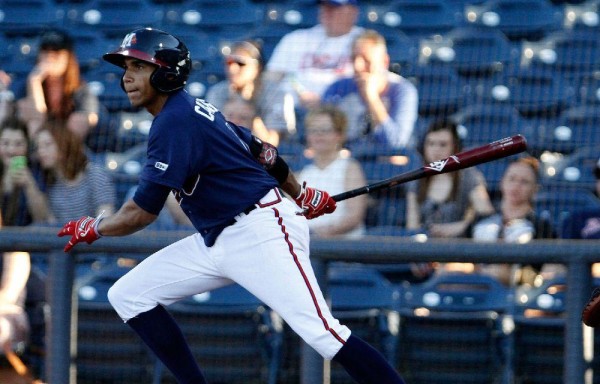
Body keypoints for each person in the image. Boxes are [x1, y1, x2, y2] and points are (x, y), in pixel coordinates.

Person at [57, 28, 405, 384]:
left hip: (259, 231)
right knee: (129, 294)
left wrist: (96, 227)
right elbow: (263, 152)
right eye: (126, 68)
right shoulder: (190, 110)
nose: (127, 77)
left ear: (166, 72)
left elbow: (141, 213)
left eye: (138, 66)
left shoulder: (176, 120)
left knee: (324, 334)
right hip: (221, 235)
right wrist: (300, 193)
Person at [322, 29, 419, 149]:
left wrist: (372, 98)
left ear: (384, 61)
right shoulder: (338, 88)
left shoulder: (403, 91)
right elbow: (322, 136)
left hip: (386, 165)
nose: (358, 66)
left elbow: (395, 143)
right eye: (354, 58)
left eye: (366, 59)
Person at [468, 156, 557, 286]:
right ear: (502, 182)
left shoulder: (541, 226)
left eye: (524, 182)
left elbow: (548, 268)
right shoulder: (481, 219)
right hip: (475, 285)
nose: (516, 185)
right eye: (512, 179)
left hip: (519, 293)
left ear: (535, 189)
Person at [265, 0, 363, 110]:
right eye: (323, 6)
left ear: (353, 12)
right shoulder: (296, 38)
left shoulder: (365, 41)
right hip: (293, 112)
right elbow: (270, 80)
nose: (326, 12)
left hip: (341, 115)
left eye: (333, 8)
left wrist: (324, 100)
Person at [406, 118, 495, 238]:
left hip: (459, 249)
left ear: (455, 147)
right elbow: (412, 226)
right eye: (431, 143)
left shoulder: (468, 176)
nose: (436, 149)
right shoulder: (417, 178)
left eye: (443, 144)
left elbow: (486, 214)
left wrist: (459, 228)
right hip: (425, 250)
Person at [205, 40, 295, 145]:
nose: (232, 68)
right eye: (229, 62)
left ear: (258, 67)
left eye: (241, 63)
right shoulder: (217, 92)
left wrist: (249, 112)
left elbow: (271, 145)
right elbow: (211, 136)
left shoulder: (276, 93)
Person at [296, 105, 367, 238]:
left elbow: (355, 216)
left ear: (339, 135)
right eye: (313, 130)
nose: (319, 135)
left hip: (343, 248)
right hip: (306, 246)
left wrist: (324, 233)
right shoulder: (301, 174)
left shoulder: (350, 168)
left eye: (326, 130)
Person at [16, 29, 99, 140]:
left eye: (56, 52)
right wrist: (34, 81)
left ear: (68, 58)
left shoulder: (81, 89)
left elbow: (90, 118)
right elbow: (36, 117)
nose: (50, 57)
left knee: (79, 119)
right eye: (46, 51)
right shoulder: (29, 86)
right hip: (40, 144)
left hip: (70, 147)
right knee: (29, 116)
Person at [34, 119, 116, 225]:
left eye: (47, 145)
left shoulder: (94, 175)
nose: (41, 151)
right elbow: (50, 222)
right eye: (38, 147)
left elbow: (105, 216)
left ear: (63, 144)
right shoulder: (49, 181)